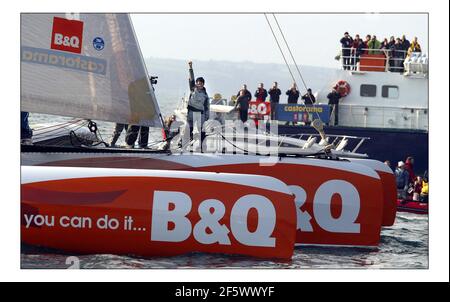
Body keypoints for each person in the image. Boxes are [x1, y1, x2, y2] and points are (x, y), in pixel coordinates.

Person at [186, 61, 209, 152]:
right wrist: (190, 68)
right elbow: (191, 78)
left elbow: (207, 106)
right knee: (189, 129)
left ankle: (202, 147)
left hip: (200, 114)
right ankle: (187, 145)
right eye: (198, 83)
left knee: (201, 131)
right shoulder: (193, 89)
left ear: (203, 84)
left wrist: (207, 116)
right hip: (191, 113)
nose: (199, 84)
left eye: (201, 83)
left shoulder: (205, 95)